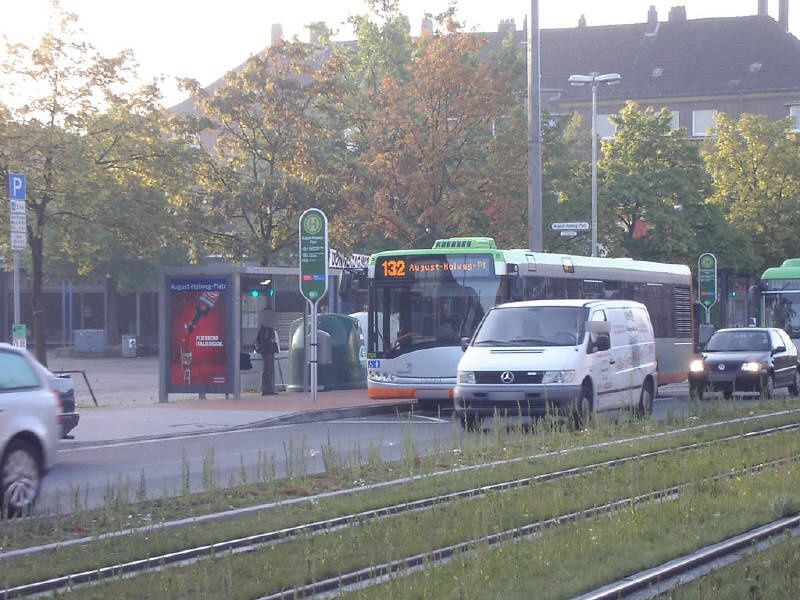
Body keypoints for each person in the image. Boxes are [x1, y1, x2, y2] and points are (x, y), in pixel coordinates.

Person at [255, 324, 279, 395]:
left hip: (268, 351)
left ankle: (269, 389)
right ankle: (266, 390)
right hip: (267, 351)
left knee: (269, 370)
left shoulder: (266, 329)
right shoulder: (267, 329)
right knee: (267, 370)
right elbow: (266, 340)